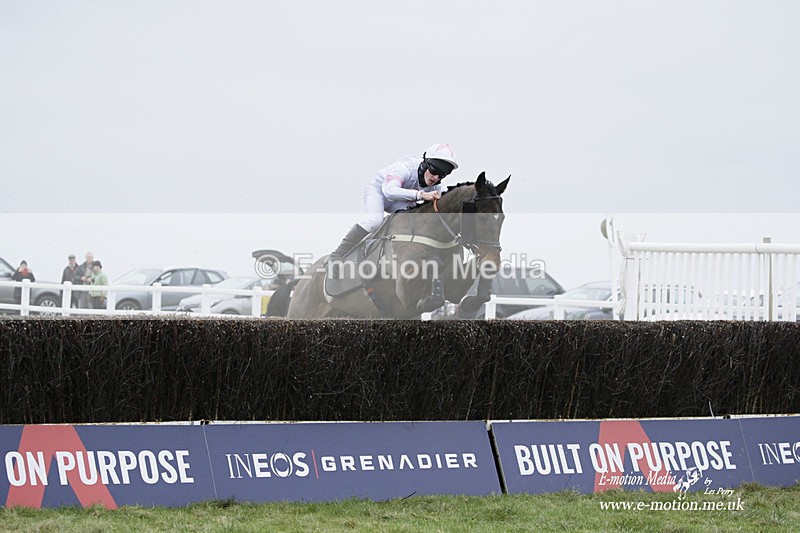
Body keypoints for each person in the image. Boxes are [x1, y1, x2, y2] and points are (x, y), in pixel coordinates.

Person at [327, 143, 459, 263]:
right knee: (375, 221)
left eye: (442, 175)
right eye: (434, 170)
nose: (435, 178)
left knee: (414, 224)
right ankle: (336, 255)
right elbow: (389, 191)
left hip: (401, 201)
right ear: (425, 163)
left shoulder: (438, 186)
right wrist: (421, 195)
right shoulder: (405, 168)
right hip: (379, 193)